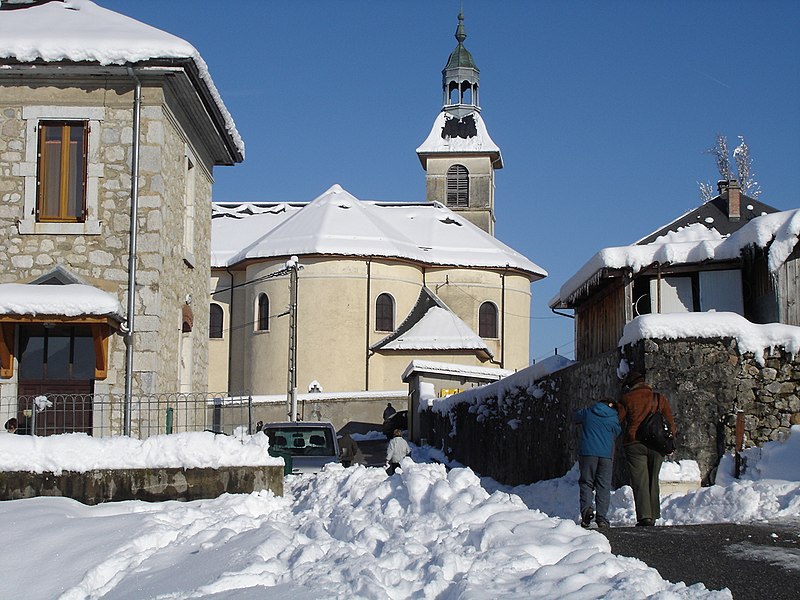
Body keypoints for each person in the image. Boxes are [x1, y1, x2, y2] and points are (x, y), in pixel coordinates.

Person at [617, 370, 677, 527]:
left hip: (635, 443)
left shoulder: (627, 399)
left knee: (640, 480)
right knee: (653, 479)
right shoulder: (658, 398)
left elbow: (619, 419)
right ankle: (654, 513)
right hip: (657, 444)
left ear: (631, 385)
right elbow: (670, 422)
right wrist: (669, 441)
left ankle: (645, 517)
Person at [574, 398, 621, 529]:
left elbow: (575, 416)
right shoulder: (613, 417)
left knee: (586, 482)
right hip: (606, 455)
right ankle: (602, 518)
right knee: (604, 486)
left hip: (588, 453)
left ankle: (586, 511)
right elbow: (617, 432)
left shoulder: (588, 412)